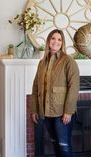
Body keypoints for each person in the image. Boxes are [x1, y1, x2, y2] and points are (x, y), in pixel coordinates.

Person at [30, 29, 80, 157]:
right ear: (48, 41)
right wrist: (35, 109)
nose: (56, 42)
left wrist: (68, 111)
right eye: (53, 38)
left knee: (64, 146)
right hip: (46, 112)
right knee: (55, 144)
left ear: (62, 43)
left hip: (62, 113)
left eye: (59, 39)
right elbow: (36, 87)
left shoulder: (68, 61)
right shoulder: (42, 63)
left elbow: (74, 87)